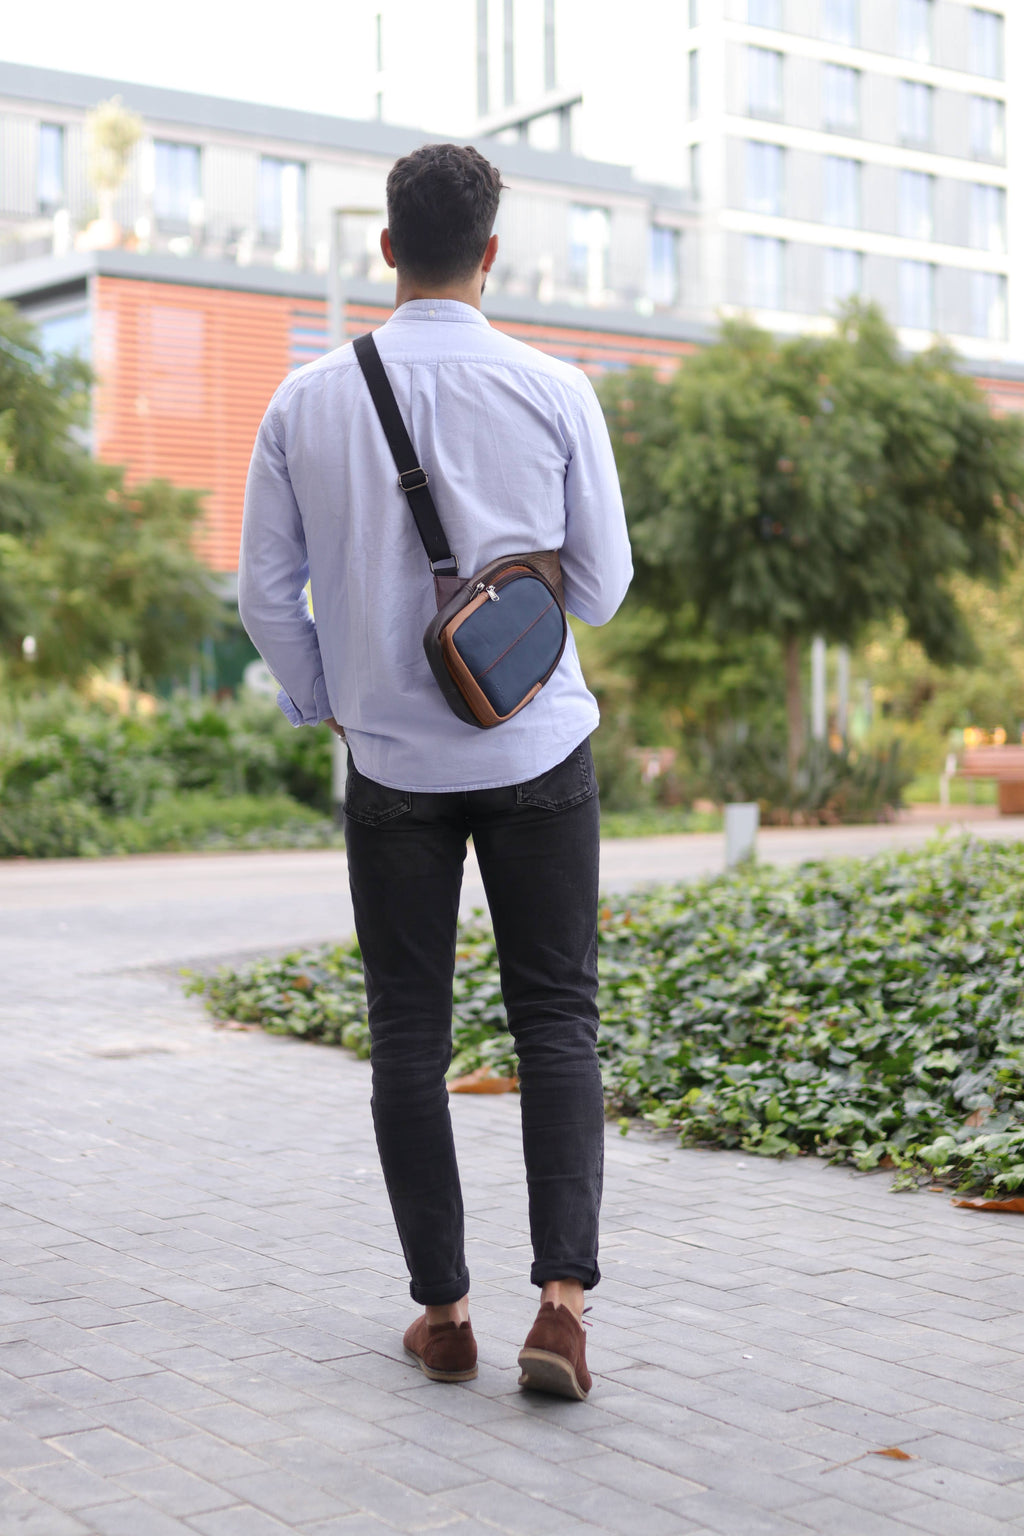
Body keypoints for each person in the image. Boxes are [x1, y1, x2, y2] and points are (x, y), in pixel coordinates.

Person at [238, 143, 632, 1400]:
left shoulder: (305, 401)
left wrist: (332, 703)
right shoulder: (555, 389)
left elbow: (264, 594)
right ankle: (559, 1312)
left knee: (408, 1031)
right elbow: (602, 589)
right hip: (538, 746)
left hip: (392, 768)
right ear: (491, 253)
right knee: (556, 1019)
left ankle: (446, 1316)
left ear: (387, 249)